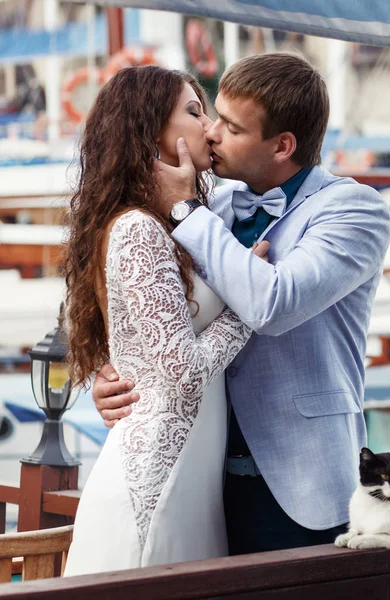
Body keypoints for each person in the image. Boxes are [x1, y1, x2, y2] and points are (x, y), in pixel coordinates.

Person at [93, 52, 390, 555]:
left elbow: (272, 306)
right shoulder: (217, 207)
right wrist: (111, 373)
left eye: (230, 127)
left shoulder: (353, 210)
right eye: (210, 116)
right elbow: (138, 299)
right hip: (203, 482)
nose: (210, 133)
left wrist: (186, 209)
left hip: (304, 485)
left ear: (283, 145)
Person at [62, 66, 256, 575]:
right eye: (194, 112)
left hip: (192, 477)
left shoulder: (185, 220)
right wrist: (249, 303)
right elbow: (181, 370)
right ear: (150, 133)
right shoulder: (137, 230)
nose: (209, 126)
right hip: (157, 480)